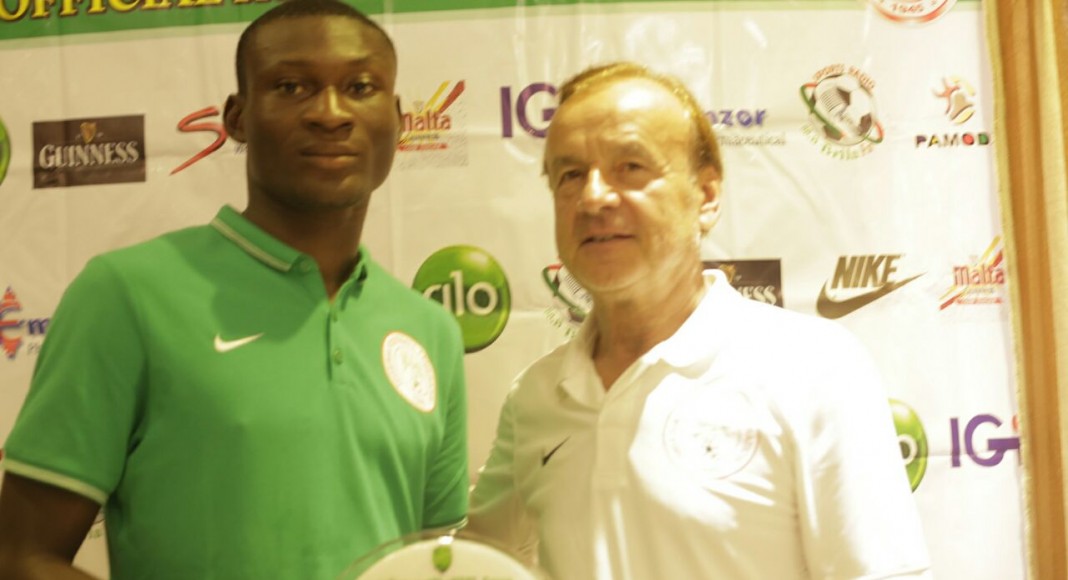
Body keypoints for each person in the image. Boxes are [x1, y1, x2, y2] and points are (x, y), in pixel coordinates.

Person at [0, 1, 469, 578]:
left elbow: (437, 563)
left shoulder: (432, 332)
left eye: (360, 87)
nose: (330, 113)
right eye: (292, 86)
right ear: (238, 118)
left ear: (397, 119)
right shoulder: (126, 294)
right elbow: (21, 556)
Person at [467, 62, 931, 580]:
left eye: (630, 167)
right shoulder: (535, 398)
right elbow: (469, 564)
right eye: (570, 175)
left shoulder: (814, 369)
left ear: (706, 197)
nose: (593, 197)